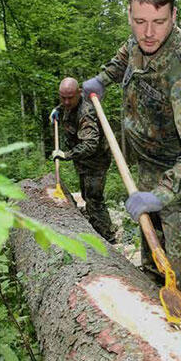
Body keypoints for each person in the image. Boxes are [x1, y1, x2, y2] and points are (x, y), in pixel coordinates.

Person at [81, 0, 181, 328]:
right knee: (152, 270)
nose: (148, 32)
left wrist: (160, 196)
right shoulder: (138, 40)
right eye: (139, 20)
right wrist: (103, 78)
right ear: (130, 13)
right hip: (147, 172)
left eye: (158, 22)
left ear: (173, 15)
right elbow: (124, 56)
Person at [50, 77, 115, 243]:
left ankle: (107, 239)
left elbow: (90, 145)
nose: (65, 101)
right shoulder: (69, 104)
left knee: (94, 200)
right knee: (87, 196)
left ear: (79, 93)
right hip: (83, 161)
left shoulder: (86, 113)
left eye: (69, 97)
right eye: (62, 97)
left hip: (95, 161)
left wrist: (66, 155)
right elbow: (65, 105)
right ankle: (96, 233)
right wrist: (58, 109)